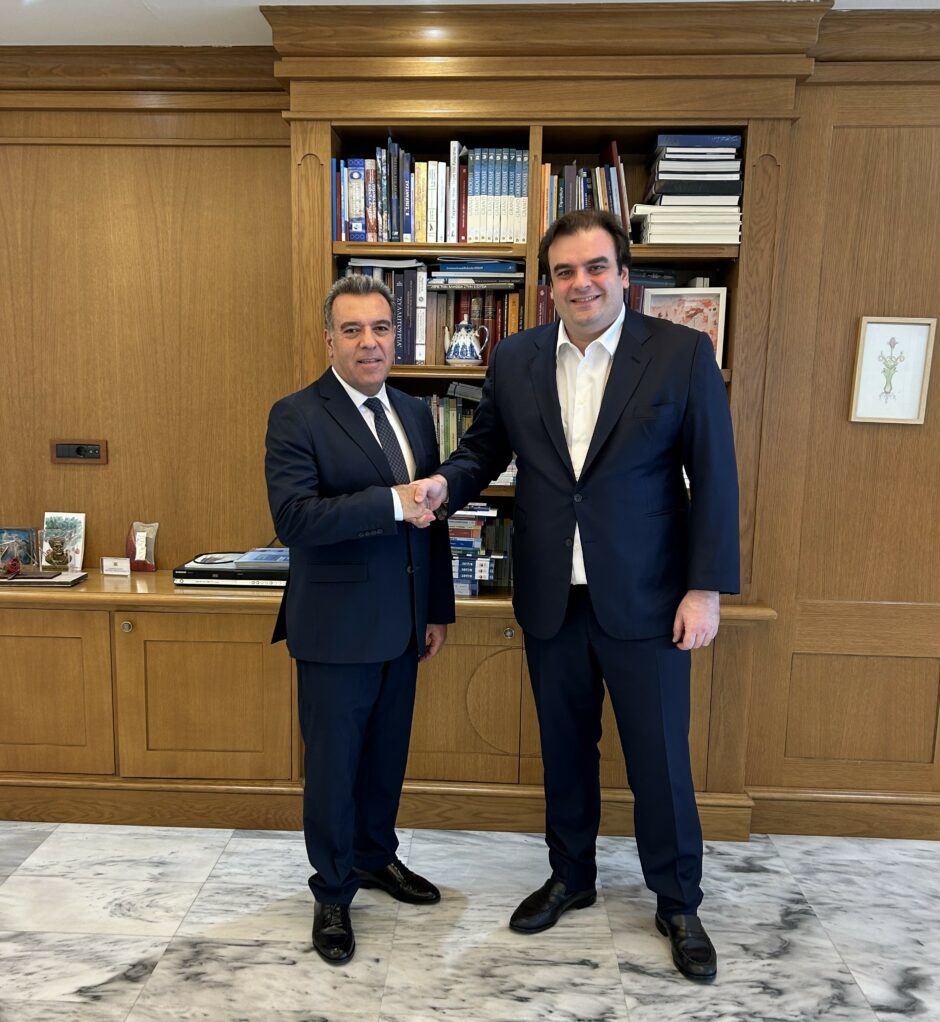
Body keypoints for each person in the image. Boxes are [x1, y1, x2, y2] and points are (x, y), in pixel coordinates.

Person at [413, 209, 739, 981]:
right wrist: (443, 485)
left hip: (651, 599)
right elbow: (483, 450)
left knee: (660, 759)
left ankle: (678, 901)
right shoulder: (517, 358)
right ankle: (572, 876)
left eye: (596, 268)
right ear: (548, 286)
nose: (581, 283)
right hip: (552, 596)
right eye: (565, 272)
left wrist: (705, 589)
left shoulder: (682, 354)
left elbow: (715, 476)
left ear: (624, 275)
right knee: (565, 750)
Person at [265, 274, 455, 965]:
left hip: (404, 627)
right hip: (335, 630)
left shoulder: (413, 413)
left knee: (385, 760)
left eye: (380, 328)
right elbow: (294, 520)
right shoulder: (296, 415)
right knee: (334, 770)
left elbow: (433, 521)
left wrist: (437, 610)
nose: (368, 342)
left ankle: (376, 858)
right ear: (329, 341)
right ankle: (333, 891)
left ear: (394, 336)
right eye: (352, 330)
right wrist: (391, 502)